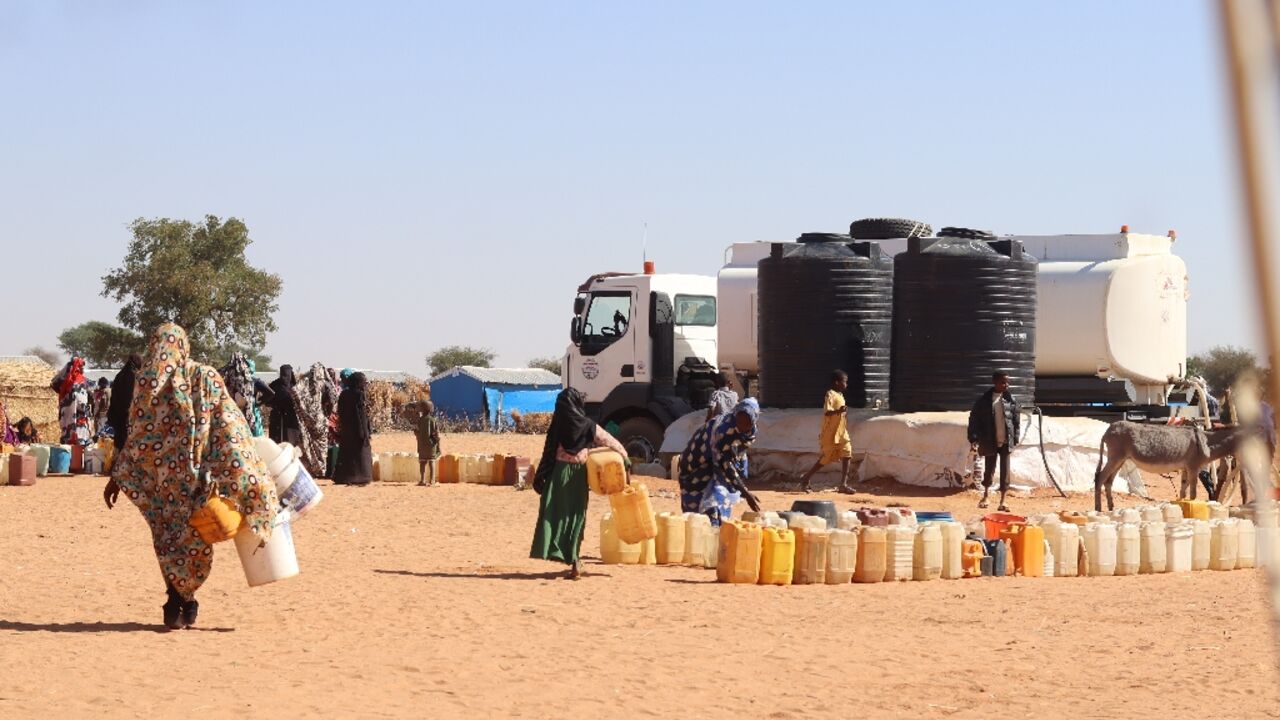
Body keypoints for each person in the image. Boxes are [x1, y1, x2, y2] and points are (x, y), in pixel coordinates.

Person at [102, 323, 278, 630]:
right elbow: (230, 428)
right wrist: (247, 475)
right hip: (197, 482)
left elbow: (136, 436)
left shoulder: (146, 381)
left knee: (167, 540)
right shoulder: (204, 376)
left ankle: (176, 599)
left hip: (159, 485)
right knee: (194, 538)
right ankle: (186, 597)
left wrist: (118, 475)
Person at [530, 388, 628, 579]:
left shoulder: (557, 426)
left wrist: (541, 475)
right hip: (578, 477)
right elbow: (610, 441)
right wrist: (625, 457)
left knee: (554, 514)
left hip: (558, 476)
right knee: (576, 517)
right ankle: (575, 560)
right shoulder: (588, 425)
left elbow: (548, 451)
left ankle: (559, 552)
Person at [678, 398, 762, 526]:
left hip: (717, 462)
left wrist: (741, 483)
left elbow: (736, 453)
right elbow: (726, 464)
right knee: (709, 504)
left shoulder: (750, 432)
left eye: (746, 423)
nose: (742, 426)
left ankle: (718, 530)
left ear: (753, 420)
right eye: (739, 421)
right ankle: (710, 531)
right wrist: (745, 492)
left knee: (721, 497)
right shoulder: (724, 431)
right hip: (697, 465)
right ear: (735, 416)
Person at [967, 370, 1021, 512]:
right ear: (995, 382)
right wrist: (974, 438)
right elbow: (974, 420)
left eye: (1007, 382)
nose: (1006, 385)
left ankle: (1003, 501)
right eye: (1003, 382)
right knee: (989, 468)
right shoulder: (984, 401)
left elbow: (1016, 422)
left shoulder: (1011, 400)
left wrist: (1015, 438)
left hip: (1006, 441)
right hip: (990, 440)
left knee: (1005, 471)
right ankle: (985, 496)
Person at [798, 370, 856, 494]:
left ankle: (843, 484)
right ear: (837, 382)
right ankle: (806, 478)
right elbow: (827, 412)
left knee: (847, 453)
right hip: (830, 433)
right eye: (844, 381)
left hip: (841, 432)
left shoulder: (840, 395)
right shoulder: (830, 394)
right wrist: (839, 411)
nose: (846, 384)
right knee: (826, 458)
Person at [292, 363, 340, 477]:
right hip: (320, 420)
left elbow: (294, 392)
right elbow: (333, 401)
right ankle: (321, 470)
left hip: (307, 420)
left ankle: (311, 469)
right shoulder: (326, 385)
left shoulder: (303, 385)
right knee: (321, 446)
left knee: (309, 444)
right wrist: (327, 413)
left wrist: (304, 411)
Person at [333, 371, 373, 485]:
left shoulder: (343, 394)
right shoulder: (359, 395)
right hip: (358, 428)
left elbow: (340, 411)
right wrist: (365, 431)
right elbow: (361, 415)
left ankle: (344, 476)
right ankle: (362, 477)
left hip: (346, 428)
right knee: (360, 453)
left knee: (347, 452)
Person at [219, 352, 265, 437]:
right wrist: (257, 403)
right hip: (249, 411)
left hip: (234, 412)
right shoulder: (251, 380)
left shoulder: (229, 379)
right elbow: (270, 393)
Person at [107, 354, 143, 451]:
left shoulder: (120, 375)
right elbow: (130, 398)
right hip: (127, 416)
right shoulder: (133, 377)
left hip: (117, 415)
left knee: (119, 442)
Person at [268, 364, 302, 446]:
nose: (284, 377)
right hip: (277, 418)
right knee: (277, 444)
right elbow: (267, 400)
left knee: (290, 444)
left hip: (291, 421)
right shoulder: (274, 385)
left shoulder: (295, 388)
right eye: (282, 374)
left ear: (290, 374)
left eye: (286, 375)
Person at [413, 400, 442, 486]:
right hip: (431, 445)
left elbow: (416, 431)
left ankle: (422, 480)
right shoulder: (433, 420)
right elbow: (436, 433)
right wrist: (438, 442)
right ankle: (432, 481)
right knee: (431, 461)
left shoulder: (420, 420)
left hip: (421, 445)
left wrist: (417, 434)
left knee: (422, 462)